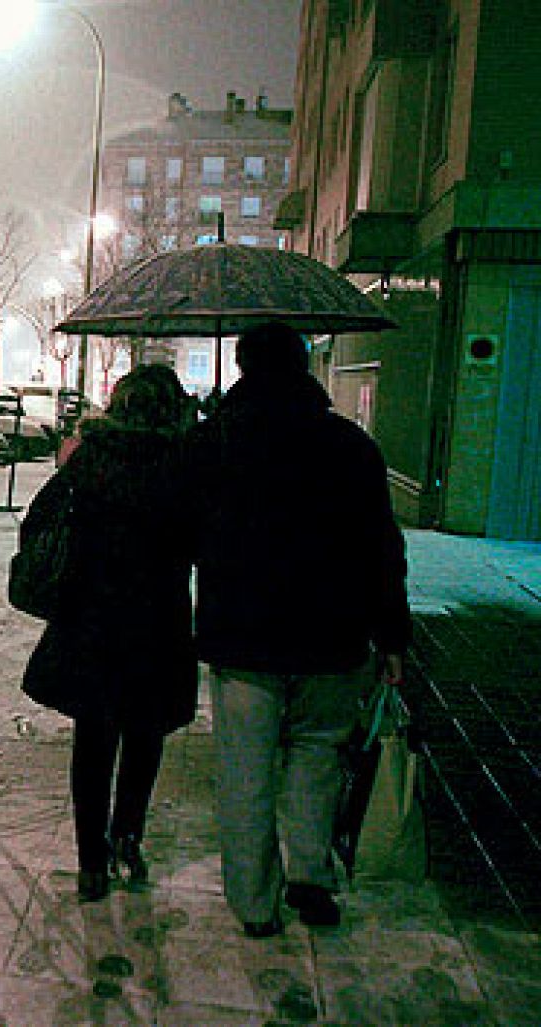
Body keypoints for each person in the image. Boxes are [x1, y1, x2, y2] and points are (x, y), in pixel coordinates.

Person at [188, 321, 409, 938]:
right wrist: (393, 638)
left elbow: (182, 532)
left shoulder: (214, 444)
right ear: (306, 366)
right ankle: (310, 875)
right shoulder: (350, 445)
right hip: (334, 639)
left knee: (246, 770)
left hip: (243, 639)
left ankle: (255, 904)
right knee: (317, 757)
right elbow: (382, 549)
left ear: (242, 366)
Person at [20, 364, 198, 902]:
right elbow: (202, 541)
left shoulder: (87, 461)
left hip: (92, 620)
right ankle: (128, 835)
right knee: (146, 736)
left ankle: (90, 860)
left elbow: (36, 524)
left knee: (93, 742)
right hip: (159, 623)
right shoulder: (184, 467)